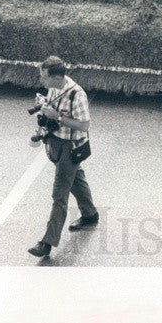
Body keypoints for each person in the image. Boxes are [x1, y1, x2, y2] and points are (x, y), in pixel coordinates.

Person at [27, 56, 98, 259]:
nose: (41, 81)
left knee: (59, 194)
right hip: (55, 143)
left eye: (44, 77)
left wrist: (57, 116)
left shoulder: (77, 94)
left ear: (56, 77)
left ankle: (47, 243)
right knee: (76, 179)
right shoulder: (54, 88)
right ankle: (90, 214)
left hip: (70, 147)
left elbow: (84, 125)